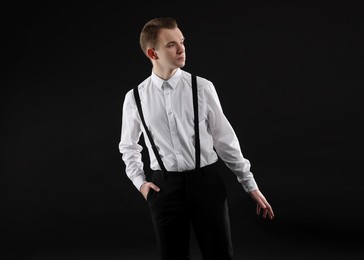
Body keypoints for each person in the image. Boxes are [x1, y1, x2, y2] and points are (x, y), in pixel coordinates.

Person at [118, 17, 274, 260]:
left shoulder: (202, 88)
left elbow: (225, 140)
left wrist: (249, 183)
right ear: (153, 52)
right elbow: (128, 147)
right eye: (171, 44)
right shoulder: (135, 98)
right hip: (165, 188)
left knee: (219, 255)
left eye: (181, 41)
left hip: (206, 184)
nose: (181, 49)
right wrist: (141, 184)